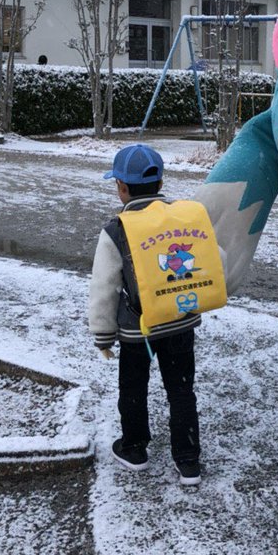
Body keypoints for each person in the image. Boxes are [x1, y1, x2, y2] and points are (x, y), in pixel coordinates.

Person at [89, 143, 202, 486]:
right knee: (181, 389)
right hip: (179, 321)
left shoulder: (116, 229)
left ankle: (134, 448)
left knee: (133, 387)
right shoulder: (182, 218)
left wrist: (103, 335)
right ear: (161, 182)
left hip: (137, 329)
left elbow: (105, 286)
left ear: (121, 187)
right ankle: (188, 460)